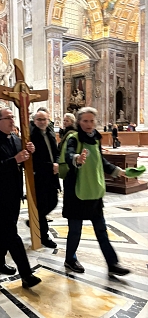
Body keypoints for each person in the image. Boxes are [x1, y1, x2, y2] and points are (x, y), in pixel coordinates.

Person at [63, 107, 130, 277]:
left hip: (94, 191)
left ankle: (112, 263)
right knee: (75, 230)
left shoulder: (96, 139)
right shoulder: (74, 138)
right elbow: (69, 154)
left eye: (91, 121)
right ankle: (70, 259)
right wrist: (76, 158)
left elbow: (100, 160)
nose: (89, 124)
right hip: (77, 192)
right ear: (79, 122)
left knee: (101, 230)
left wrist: (117, 171)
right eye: (85, 121)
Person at [0, 108, 41, 289]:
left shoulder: (17, 140)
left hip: (14, 194)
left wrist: (30, 152)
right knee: (11, 234)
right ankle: (26, 274)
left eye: (12, 117)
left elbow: (23, 162)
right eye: (8, 118)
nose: (11, 121)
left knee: (7, 231)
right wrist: (14, 160)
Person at [30, 111, 60, 249]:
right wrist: (51, 166)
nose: (42, 122)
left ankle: (34, 220)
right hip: (41, 176)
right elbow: (34, 160)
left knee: (53, 202)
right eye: (39, 119)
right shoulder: (31, 136)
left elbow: (56, 152)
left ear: (48, 120)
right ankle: (44, 236)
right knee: (42, 205)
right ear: (35, 121)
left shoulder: (50, 133)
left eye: (45, 119)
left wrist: (57, 163)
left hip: (52, 174)